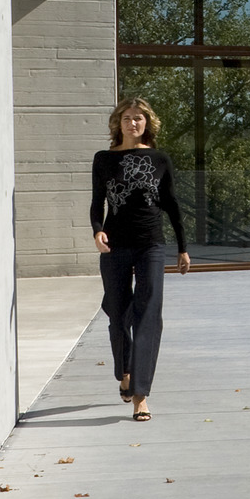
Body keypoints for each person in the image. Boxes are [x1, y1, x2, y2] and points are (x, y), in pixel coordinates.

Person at [92, 97, 190, 422]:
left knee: (148, 316)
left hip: (151, 245)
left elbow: (171, 204)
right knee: (117, 312)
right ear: (118, 123)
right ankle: (124, 371)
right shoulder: (104, 159)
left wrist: (182, 247)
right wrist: (97, 231)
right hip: (115, 245)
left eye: (138, 118)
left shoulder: (159, 159)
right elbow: (97, 202)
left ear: (147, 123)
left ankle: (140, 396)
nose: (132, 123)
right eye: (127, 118)